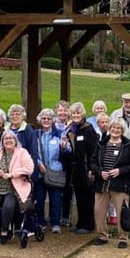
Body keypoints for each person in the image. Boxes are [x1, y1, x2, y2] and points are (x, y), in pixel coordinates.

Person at [90, 118, 130, 248]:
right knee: (99, 211)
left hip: (120, 184)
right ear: (110, 128)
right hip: (102, 184)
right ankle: (102, 235)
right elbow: (93, 162)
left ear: (122, 130)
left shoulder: (128, 146)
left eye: (118, 128)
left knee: (121, 212)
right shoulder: (101, 144)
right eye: (113, 127)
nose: (115, 130)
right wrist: (100, 172)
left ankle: (123, 238)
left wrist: (120, 171)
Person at [0, 130, 34, 245]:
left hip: (14, 188)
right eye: (6, 138)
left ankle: (4, 230)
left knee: (8, 206)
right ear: (2, 141)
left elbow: (29, 168)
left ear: (15, 141)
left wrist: (12, 174)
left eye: (11, 138)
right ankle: (2, 222)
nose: (8, 140)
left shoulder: (22, 152)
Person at [35, 108, 71, 234]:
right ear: (40, 120)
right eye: (44, 118)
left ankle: (55, 223)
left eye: (49, 118)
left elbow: (68, 151)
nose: (46, 121)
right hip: (40, 172)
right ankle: (41, 222)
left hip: (55, 171)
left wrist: (65, 147)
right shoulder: (36, 134)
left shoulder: (60, 133)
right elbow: (31, 152)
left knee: (56, 199)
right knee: (39, 199)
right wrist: (38, 163)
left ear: (53, 120)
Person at [66, 101, 98, 234]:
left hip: (86, 169)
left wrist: (92, 169)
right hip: (76, 169)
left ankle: (88, 224)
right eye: (73, 113)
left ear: (82, 113)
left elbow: (93, 151)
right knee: (79, 197)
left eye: (78, 113)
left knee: (87, 198)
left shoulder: (88, 129)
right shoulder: (72, 129)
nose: (76, 115)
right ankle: (80, 223)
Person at [6, 104, 40, 183]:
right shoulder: (6, 129)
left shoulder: (28, 130)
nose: (15, 116)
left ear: (23, 116)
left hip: (22, 167)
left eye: (17, 114)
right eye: (12, 114)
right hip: (8, 166)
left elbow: (33, 151)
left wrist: (32, 172)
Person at [53, 100, 73, 227]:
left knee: (67, 189)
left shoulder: (72, 126)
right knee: (55, 189)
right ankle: (54, 216)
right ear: (56, 111)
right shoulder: (52, 125)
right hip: (54, 161)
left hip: (69, 162)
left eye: (65, 110)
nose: (62, 113)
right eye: (60, 110)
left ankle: (66, 216)